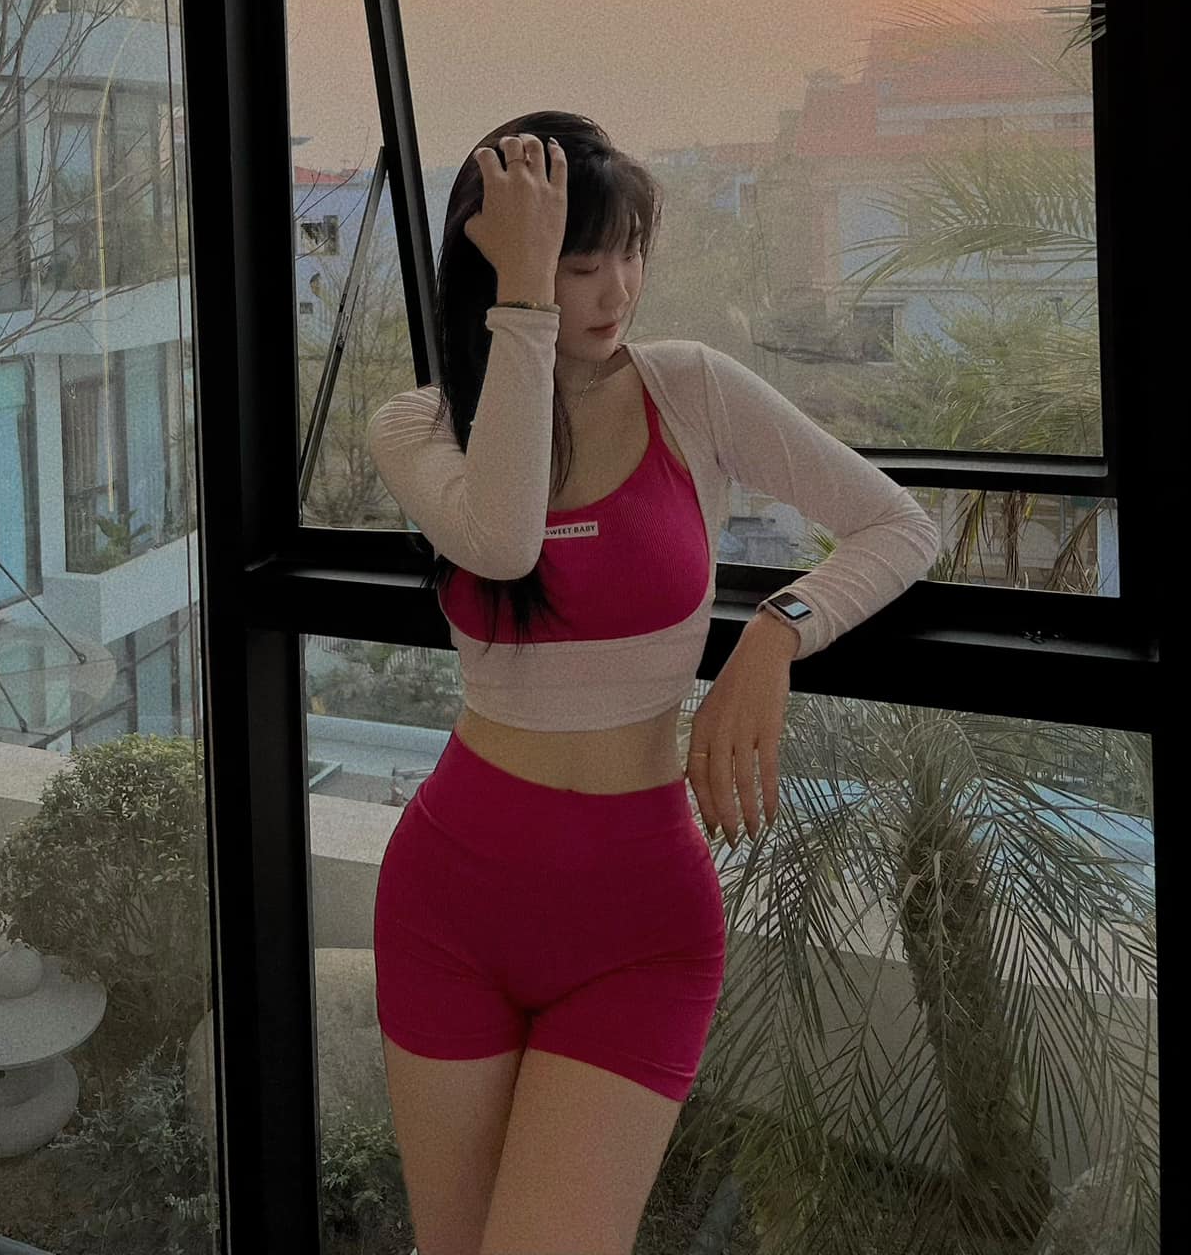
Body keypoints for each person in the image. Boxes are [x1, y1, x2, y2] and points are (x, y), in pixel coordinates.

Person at [365, 113, 942, 1255]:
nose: (616, 288)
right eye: (578, 262)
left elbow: (898, 524)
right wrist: (525, 304)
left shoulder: (692, 390)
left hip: (640, 924)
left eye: (630, 252)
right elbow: (504, 540)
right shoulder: (420, 424)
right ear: (502, 266)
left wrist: (774, 633)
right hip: (450, 902)